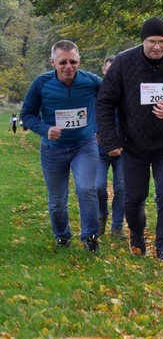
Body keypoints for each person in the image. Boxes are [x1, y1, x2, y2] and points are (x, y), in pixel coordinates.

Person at [96, 17, 163, 262]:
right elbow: (104, 102)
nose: (157, 47)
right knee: (134, 197)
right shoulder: (124, 62)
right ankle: (136, 236)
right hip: (133, 144)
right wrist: (111, 140)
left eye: (162, 42)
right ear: (143, 41)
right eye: (152, 41)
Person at [21, 40, 102, 252]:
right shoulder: (41, 83)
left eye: (73, 61)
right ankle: (62, 236)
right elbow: (26, 114)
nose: (69, 67)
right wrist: (44, 129)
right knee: (57, 200)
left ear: (79, 61)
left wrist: (103, 130)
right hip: (52, 149)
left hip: (84, 144)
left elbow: (111, 101)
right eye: (63, 62)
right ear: (53, 62)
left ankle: (90, 237)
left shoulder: (91, 81)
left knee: (86, 189)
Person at [95, 55, 125, 239]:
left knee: (121, 188)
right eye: (109, 70)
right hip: (99, 150)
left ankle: (117, 226)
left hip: (123, 150)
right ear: (103, 70)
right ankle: (101, 215)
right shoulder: (96, 91)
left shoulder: (127, 92)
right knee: (98, 186)